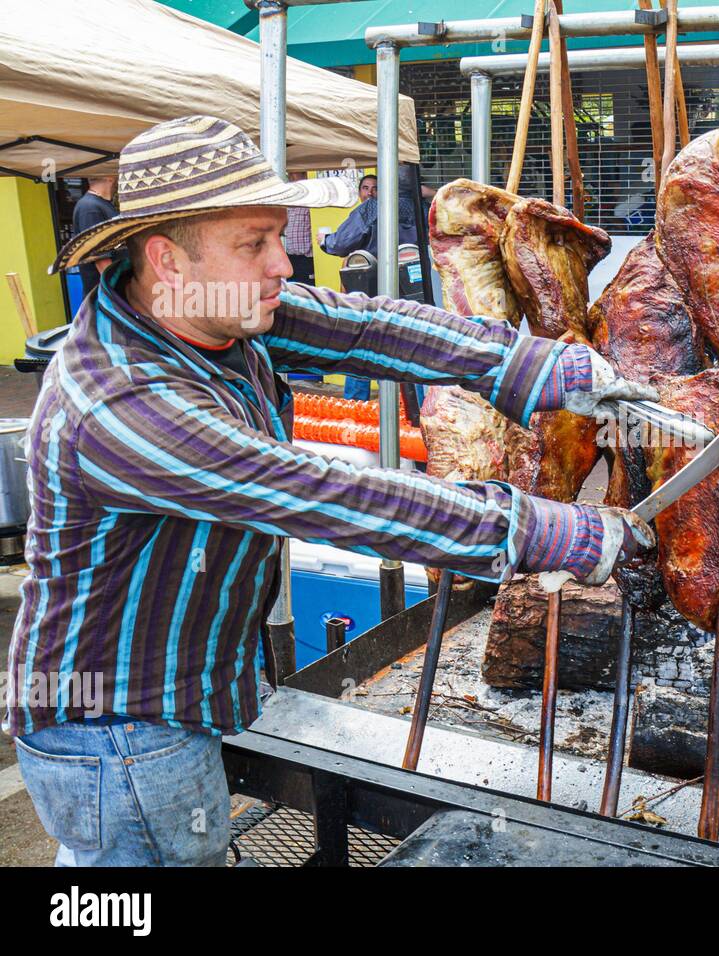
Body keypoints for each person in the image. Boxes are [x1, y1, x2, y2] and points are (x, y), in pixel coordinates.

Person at [4, 115, 655, 866]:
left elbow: (367, 328)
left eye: (279, 236)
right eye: (254, 243)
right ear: (167, 261)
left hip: (163, 701)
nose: (283, 263)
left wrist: (536, 367)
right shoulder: (121, 406)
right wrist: (544, 531)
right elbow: (328, 494)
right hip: (115, 730)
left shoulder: (213, 312)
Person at [319, 173, 419, 400]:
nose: (370, 192)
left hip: (371, 292)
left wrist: (325, 239)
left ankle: (356, 410)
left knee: (361, 347)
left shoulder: (371, 209)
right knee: (413, 348)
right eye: (365, 188)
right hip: (413, 292)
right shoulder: (419, 208)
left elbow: (340, 243)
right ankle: (417, 409)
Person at [70, 176, 122, 298]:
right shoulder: (90, 207)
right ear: (109, 177)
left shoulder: (101, 204)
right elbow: (99, 255)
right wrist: (116, 293)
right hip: (104, 296)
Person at [282, 171, 316, 285]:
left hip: (306, 259)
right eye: (290, 174)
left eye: (294, 173)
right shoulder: (286, 203)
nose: (291, 177)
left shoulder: (310, 202)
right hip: (289, 258)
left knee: (306, 289)